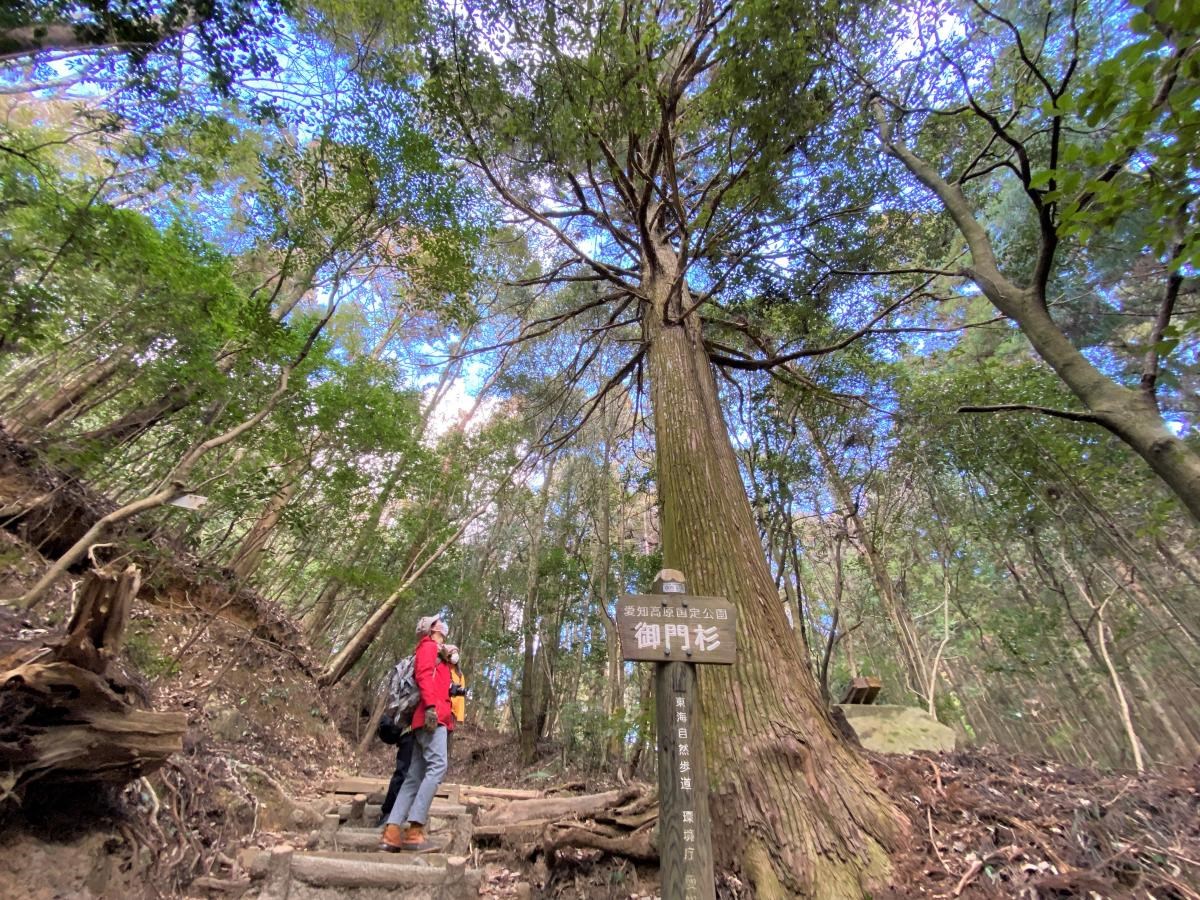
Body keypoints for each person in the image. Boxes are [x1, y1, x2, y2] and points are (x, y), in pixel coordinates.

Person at [379, 615, 455, 852]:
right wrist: (432, 707)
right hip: (432, 718)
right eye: (438, 623)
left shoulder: (437, 652)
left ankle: (392, 832)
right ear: (431, 630)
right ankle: (415, 829)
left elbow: (437, 678)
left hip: (428, 717)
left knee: (413, 776)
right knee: (438, 767)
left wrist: (449, 659)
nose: (442, 625)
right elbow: (422, 675)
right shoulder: (428, 647)